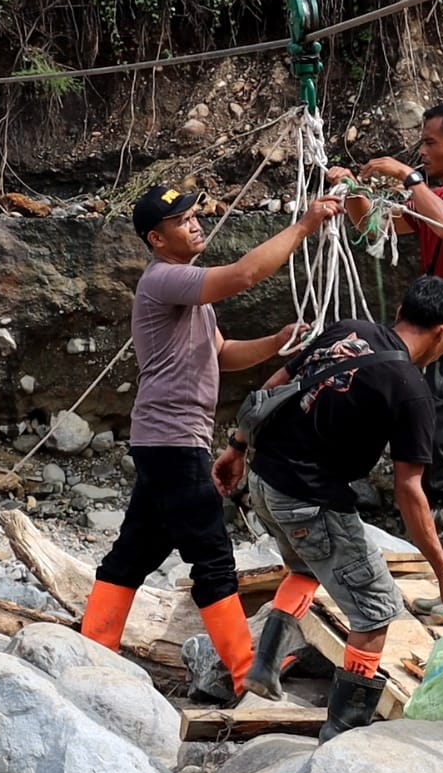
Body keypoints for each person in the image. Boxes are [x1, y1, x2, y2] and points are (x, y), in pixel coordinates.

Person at [79, 185, 341, 699]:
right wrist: (306, 225)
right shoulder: (164, 279)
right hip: (173, 442)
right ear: (157, 239)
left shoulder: (186, 294)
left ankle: (93, 649)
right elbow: (244, 275)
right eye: (183, 220)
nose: (196, 224)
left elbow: (221, 354)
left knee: (133, 553)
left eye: (196, 215)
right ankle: (247, 676)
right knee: (213, 558)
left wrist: (276, 343)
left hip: (170, 441)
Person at [212, 275, 443, 740]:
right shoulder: (411, 390)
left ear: (399, 314)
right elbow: (410, 490)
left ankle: (264, 665)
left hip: (266, 483)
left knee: (309, 566)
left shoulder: (349, 329)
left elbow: (274, 384)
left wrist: (236, 448)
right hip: (311, 500)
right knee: (375, 609)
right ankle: (344, 730)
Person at [326, 101, 443, 619]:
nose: (422, 151)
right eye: (421, 144)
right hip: (430, 350)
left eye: (429, 143)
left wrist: (404, 176)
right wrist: (354, 191)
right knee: (427, 465)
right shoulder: (435, 195)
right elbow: (372, 232)